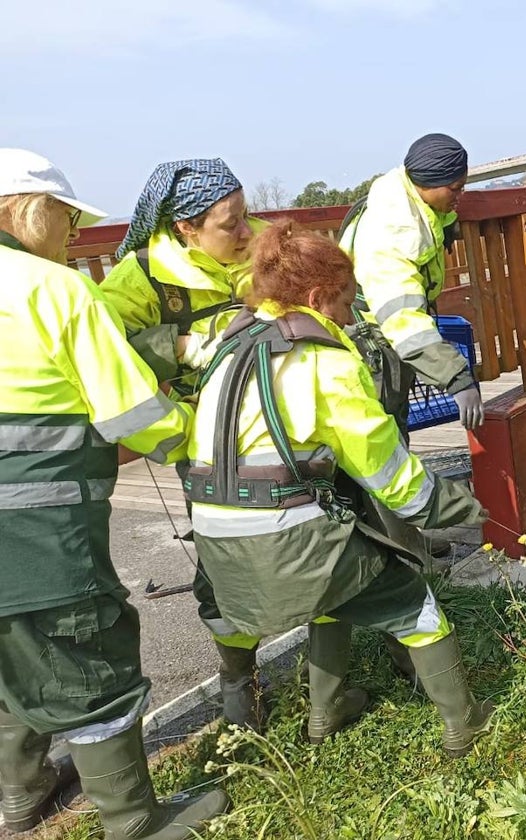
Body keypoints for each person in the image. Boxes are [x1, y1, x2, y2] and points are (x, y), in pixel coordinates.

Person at [187, 221, 493, 752]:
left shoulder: (228, 344)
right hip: (283, 536)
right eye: (347, 303)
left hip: (215, 544)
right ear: (315, 298)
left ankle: (324, 715)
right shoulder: (322, 362)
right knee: (414, 605)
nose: (351, 318)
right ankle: (464, 725)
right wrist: (452, 505)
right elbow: (389, 474)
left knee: (332, 588)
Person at [0, 148, 227, 837]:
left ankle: (24, 792)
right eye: (66, 220)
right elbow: (132, 415)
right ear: (28, 211)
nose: (72, 235)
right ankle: (134, 820)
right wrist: (208, 438)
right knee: (85, 653)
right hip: (40, 525)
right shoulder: (51, 288)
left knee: (13, 651)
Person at [99, 158, 268, 732]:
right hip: (207, 438)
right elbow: (104, 348)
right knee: (224, 558)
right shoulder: (139, 279)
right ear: (184, 229)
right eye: (231, 224)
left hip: (286, 426)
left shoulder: (261, 246)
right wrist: (185, 343)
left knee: (312, 534)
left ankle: (332, 674)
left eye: (247, 216)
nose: (249, 233)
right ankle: (240, 684)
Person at [338, 133, 482, 434]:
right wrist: (457, 378)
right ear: (427, 184)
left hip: (383, 336)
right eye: (455, 188)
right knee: (384, 433)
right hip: (372, 339)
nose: (461, 195)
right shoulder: (393, 232)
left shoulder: (410, 200)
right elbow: (401, 318)